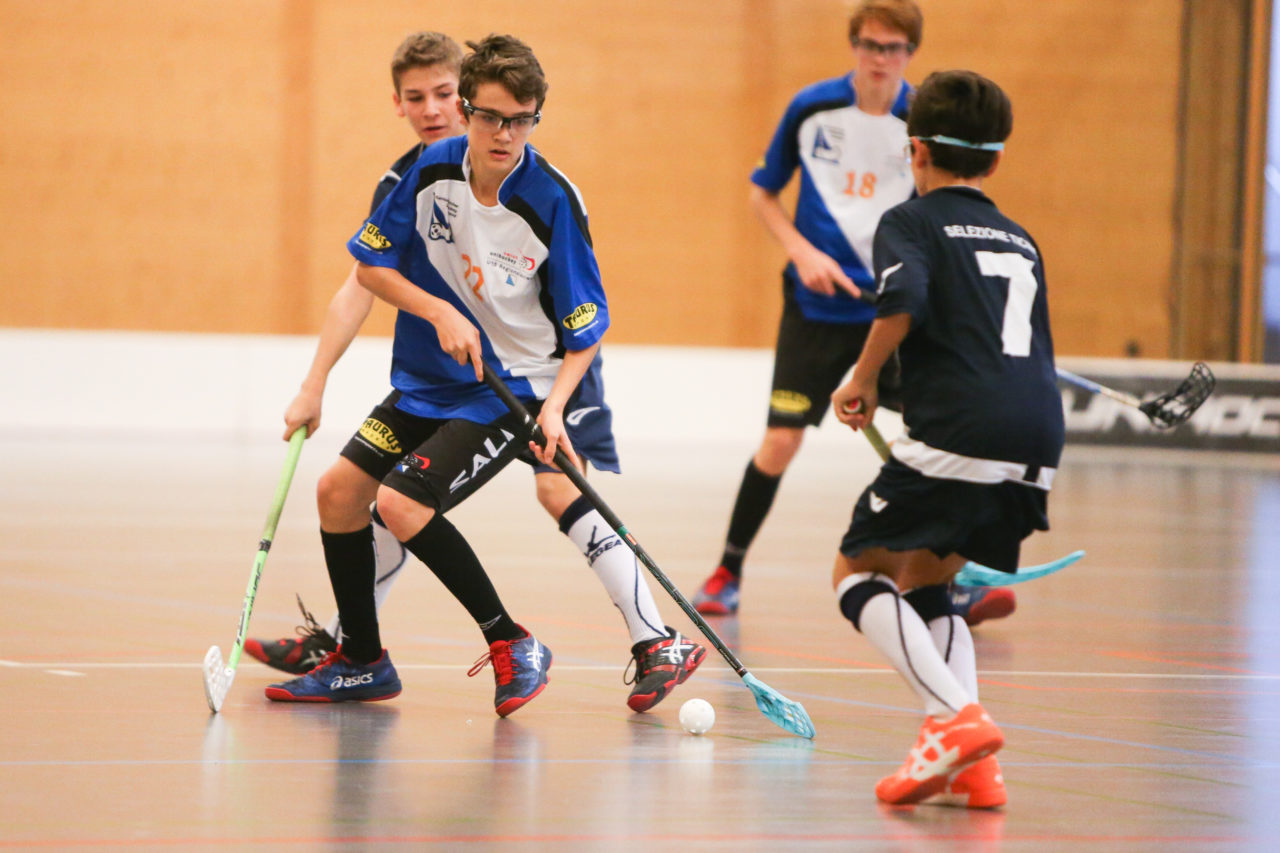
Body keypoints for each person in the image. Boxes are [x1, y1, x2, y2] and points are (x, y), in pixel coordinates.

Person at [263, 33, 704, 714]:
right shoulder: (430, 169)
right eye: (492, 117)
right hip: (435, 381)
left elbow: (587, 327)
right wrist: (435, 310)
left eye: (522, 119)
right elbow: (371, 268)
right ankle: (359, 658)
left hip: (518, 384)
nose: (506, 134)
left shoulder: (549, 199)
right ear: (470, 112)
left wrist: (555, 406)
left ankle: (523, 640)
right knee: (338, 492)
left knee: (425, 501)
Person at [689, 0, 1015, 627]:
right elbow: (763, 191)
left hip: (892, 317)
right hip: (814, 312)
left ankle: (953, 576)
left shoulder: (922, 123)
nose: (878, 59)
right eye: (868, 45)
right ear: (854, 45)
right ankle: (727, 569)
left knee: (931, 443)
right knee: (781, 441)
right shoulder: (811, 108)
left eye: (892, 49)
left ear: (910, 54)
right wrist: (800, 250)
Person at [830, 69, 1064, 807]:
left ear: (915, 148)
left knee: (857, 573)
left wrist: (863, 378)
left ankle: (957, 720)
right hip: (1037, 439)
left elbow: (905, 296)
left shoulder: (910, 220)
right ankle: (975, 767)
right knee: (932, 582)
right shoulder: (1019, 236)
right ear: (995, 161)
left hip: (960, 431)